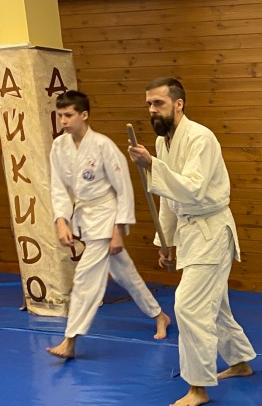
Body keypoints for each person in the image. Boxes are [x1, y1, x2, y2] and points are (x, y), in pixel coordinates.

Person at [128, 78, 256, 406]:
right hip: (190, 232)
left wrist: (151, 166)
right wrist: (165, 240)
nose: (152, 110)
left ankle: (198, 386)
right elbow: (168, 197)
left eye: (159, 103)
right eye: (149, 104)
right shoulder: (163, 143)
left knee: (188, 305)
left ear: (179, 104)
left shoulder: (201, 137)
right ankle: (240, 361)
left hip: (211, 230)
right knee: (214, 304)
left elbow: (194, 190)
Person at [46, 90, 171, 360]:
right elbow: (58, 188)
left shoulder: (103, 146)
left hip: (106, 215)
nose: (63, 121)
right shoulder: (59, 147)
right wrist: (61, 220)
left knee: (84, 278)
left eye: (68, 115)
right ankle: (160, 315)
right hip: (85, 214)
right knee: (125, 274)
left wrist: (117, 231)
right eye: (60, 116)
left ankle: (70, 339)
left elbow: (123, 189)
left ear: (84, 115)